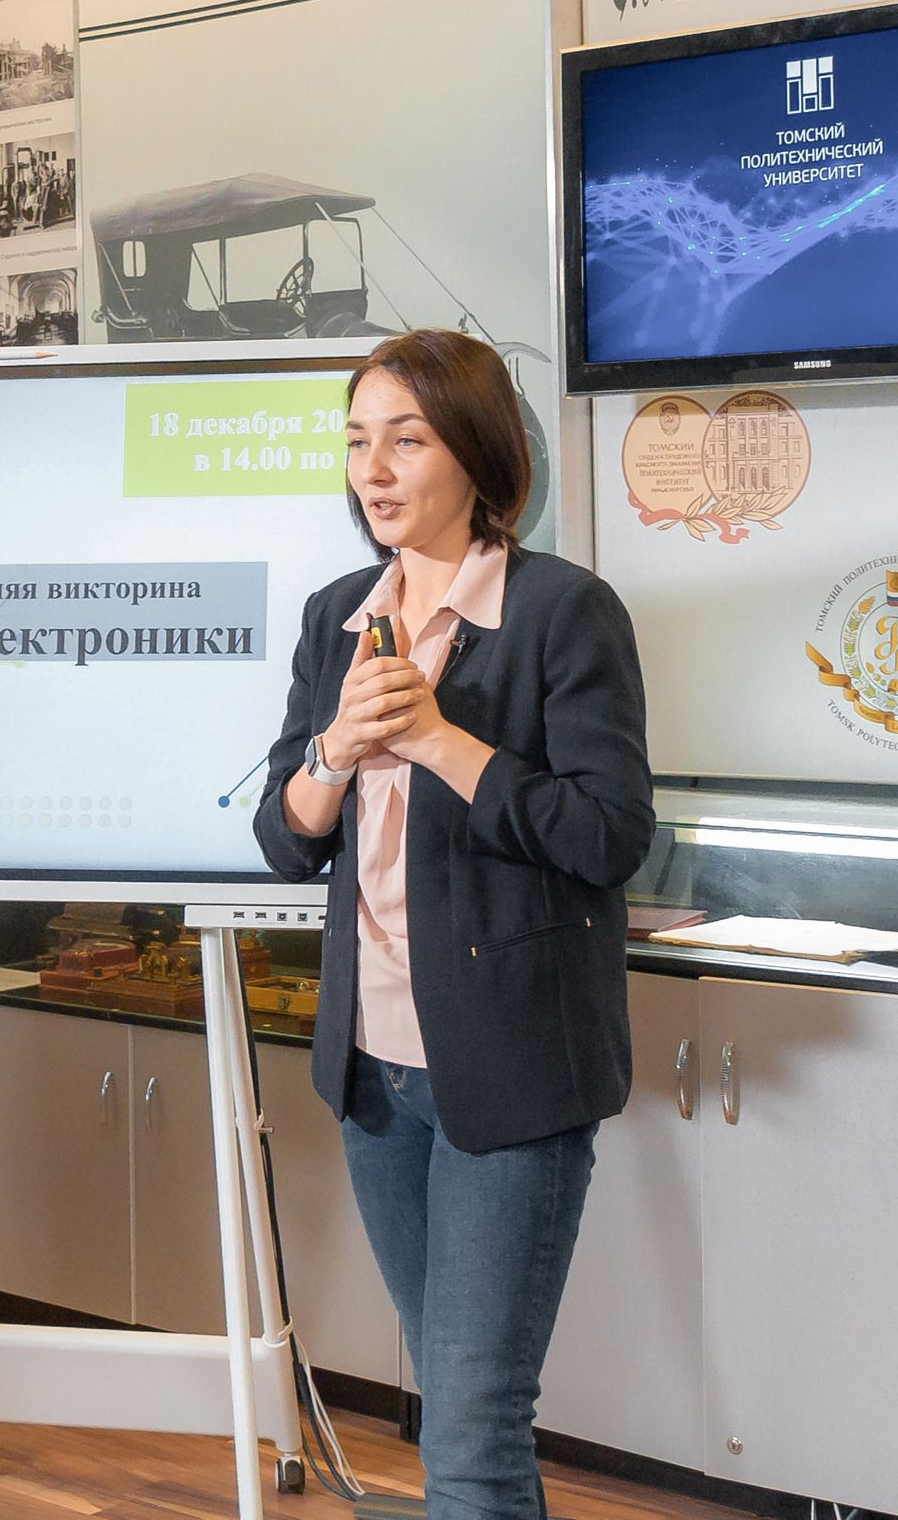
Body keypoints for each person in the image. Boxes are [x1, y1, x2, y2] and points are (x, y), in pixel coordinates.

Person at [253, 329, 653, 1520]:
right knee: (455, 1406)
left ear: (477, 453)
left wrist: (435, 739)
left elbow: (607, 836)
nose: (373, 469)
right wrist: (335, 749)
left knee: (472, 1427)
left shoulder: (560, 613)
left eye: (406, 439)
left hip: (508, 1072)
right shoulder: (338, 613)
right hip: (374, 1073)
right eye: (356, 440)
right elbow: (286, 835)